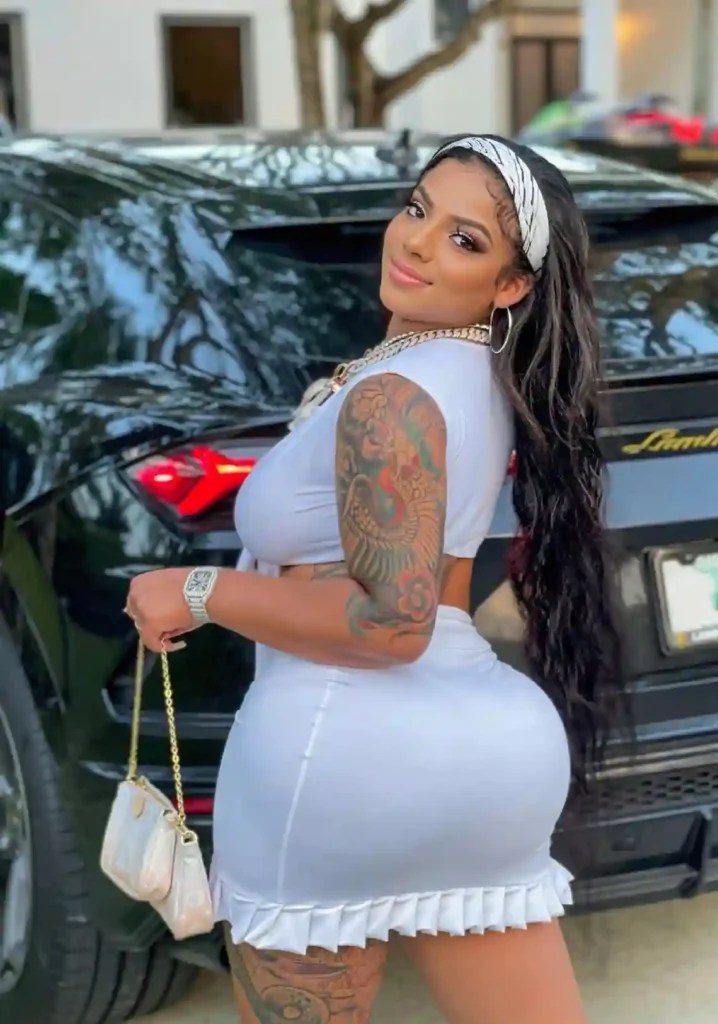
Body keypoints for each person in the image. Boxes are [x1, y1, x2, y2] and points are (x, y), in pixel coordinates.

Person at [126, 134, 623, 1024]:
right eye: (418, 209)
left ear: (511, 285)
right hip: (490, 754)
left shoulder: (393, 398)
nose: (418, 242)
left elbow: (391, 622)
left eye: (464, 240)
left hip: (341, 752)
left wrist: (196, 591)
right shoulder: (476, 377)